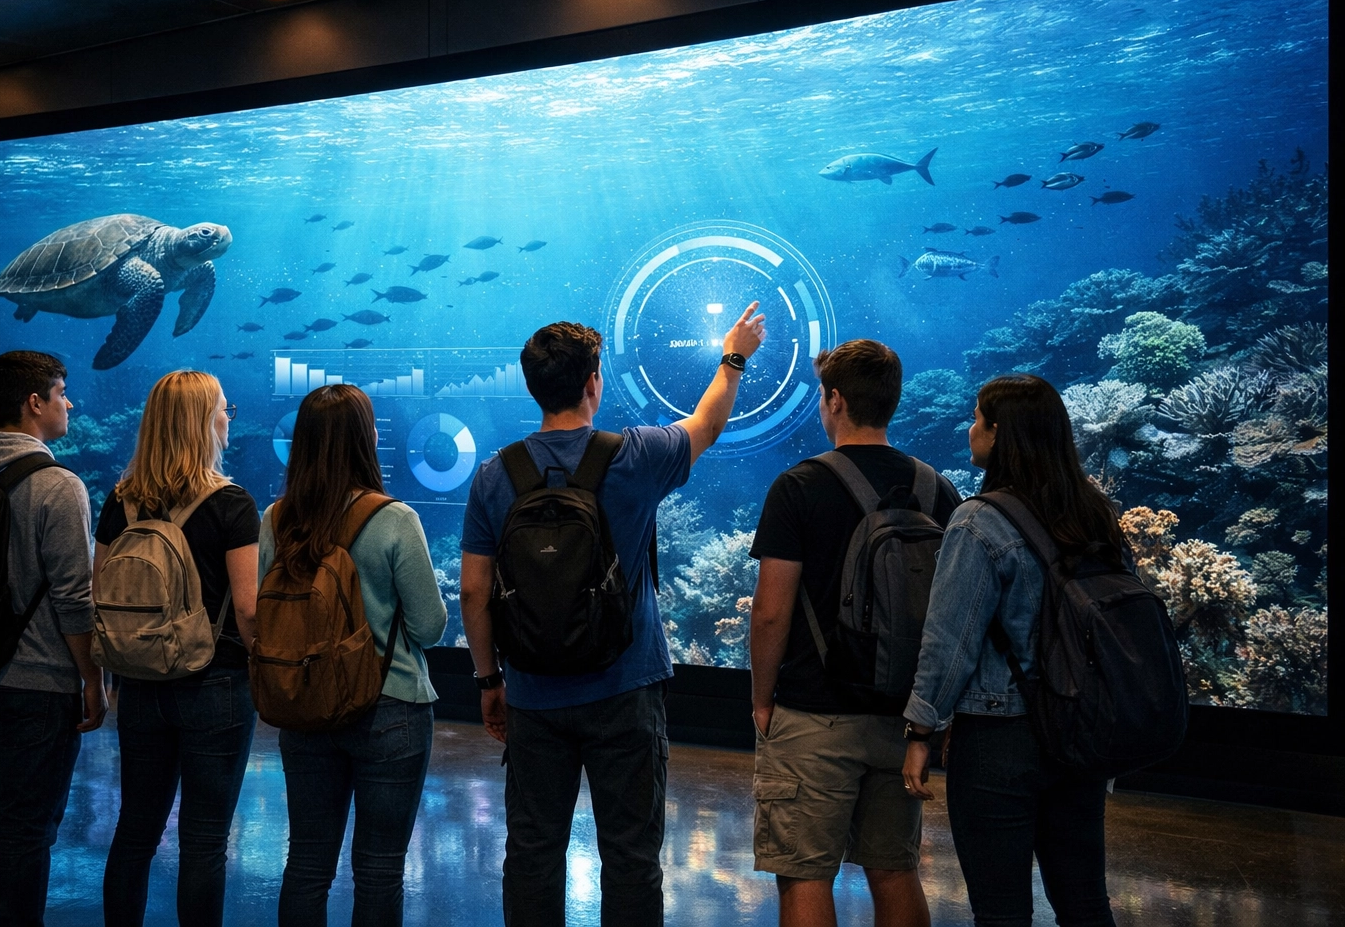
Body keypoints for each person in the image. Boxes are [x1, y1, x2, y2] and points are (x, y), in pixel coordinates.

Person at [460, 304, 767, 927]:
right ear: (594, 381)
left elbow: (472, 591)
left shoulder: (497, 474)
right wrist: (733, 358)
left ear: (531, 385)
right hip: (625, 688)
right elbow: (706, 426)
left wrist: (489, 682)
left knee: (532, 851)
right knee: (630, 856)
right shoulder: (635, 455)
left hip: (533, 693)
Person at [748, 339, 960, 927]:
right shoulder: (936, 489)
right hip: (902, 715)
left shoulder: (799, 486)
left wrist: (763, 699)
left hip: (814, 712)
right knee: (894, 869)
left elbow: (770, 610)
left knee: (806, 873)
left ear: (834, 400)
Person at [902, 374, 1121, 927]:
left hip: (999, 737)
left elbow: (949, 641)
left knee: (1001, 911)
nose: (969, 427)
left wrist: (920, 732)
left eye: (978, 418)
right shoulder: (1094, 512)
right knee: (1086, 902)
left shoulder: (979, 520)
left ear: (1000, 435)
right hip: (1079, 731)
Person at [257, 384, 448, 927]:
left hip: (305, 703)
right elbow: (430, 627)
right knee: (380, 869)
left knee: (307, 863)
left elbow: (263, 611)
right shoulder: (394, 519)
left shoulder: (274, 519)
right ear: (367, 439)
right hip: (390, 706)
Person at [0, 350, 104, 927]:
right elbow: (73, 598)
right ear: (34, 403)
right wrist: (92, 678)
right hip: (36, 684)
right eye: (62, 391)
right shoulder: (58, 485)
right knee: (27, 830)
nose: (70, 402)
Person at [98, 370, 260, 927]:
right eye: (223, 408)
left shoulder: (120, 502)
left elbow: (102, 591)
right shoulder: (232, 503)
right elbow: (249, 608)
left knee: (135, 831)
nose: (227, 418)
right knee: (204, 840)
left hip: (139, 683)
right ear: (201, 422)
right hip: (214, 683)